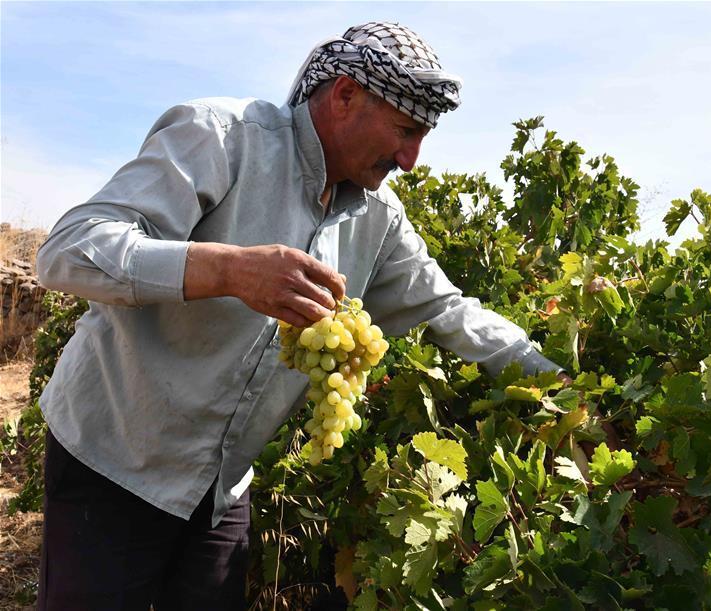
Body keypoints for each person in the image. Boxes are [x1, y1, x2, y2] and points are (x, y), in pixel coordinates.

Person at [34, 21, 562, 610]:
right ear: (344, 96)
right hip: (113, 464)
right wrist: (227, 269)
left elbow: (448, 309)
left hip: (218, 489)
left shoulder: (380, 218)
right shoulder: (220, 137)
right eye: (406, 130)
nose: (412, 160)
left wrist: (553, 381)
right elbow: (69, 251)